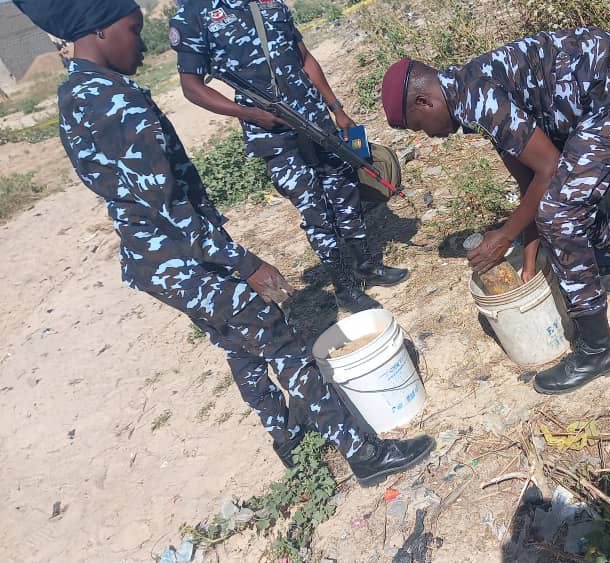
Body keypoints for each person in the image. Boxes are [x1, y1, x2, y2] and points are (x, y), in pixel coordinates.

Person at [13, 0, 433, 486]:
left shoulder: (76, 93)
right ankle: (365, 455)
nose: (142, 43)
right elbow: (167, 206)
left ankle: (290, 439)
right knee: (279, 338)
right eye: (132, 29)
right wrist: (245, 262)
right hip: (184, 257)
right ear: (102, 32)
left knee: (238, 344)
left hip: (157, 259)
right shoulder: (116, 102)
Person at [380, 28, 610, 395]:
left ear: (423, 102)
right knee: (562, 199)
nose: (428, 135)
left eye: (419, 127)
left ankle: (599, 349)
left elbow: (548, 168)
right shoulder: (467, 93)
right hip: (603, 96)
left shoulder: (476, 97)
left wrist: (505, 236)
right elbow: (532, 180)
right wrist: (529, 258)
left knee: (561, 212)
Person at [168, 0, 407, 314]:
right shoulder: (193, 14)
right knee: (315, 210)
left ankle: (368, 266)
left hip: (316, 121)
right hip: (273, 135)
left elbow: (304, 57)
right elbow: (192, 87)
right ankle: (346, 288)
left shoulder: (269, 3)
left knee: (345, 192)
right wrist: (247, 113)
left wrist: (337, 110)